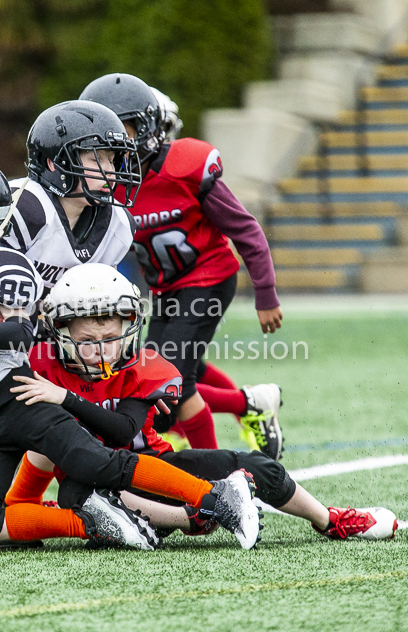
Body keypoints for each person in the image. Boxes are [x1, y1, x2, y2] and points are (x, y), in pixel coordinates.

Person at [0, 153, 262, 550]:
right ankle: (92, 523)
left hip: (17, 395)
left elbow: (22, 333)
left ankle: (217, 496)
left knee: (98, 462)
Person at [4, 263, 398, 542]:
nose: (102, 351)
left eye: (110, 337)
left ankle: (329, 519)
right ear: (60, 334)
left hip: (157, 471)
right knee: (79, 493)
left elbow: (123, 430)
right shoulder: (42, 366)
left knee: (258, 465)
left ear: (129, 328)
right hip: (101, 490)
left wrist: (65, 398)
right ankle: (195, 518)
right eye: (88, 341)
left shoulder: (145, 365)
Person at [79, 74, 285, 460]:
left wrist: (266, 293)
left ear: (146, 127)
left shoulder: (183, 167)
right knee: (162, 369)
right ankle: (251, 405)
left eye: (120, 128)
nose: (112, 142)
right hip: (166, 287)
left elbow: (246, 229)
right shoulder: (108, 183)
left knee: (172, 380)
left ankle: (219, 473)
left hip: (209, 277)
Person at [0, 100, 141, 294]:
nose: (110, 172)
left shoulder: (118, 222)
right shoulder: (23, 206)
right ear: (53, 164)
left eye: (111, 160)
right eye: (96, 159)